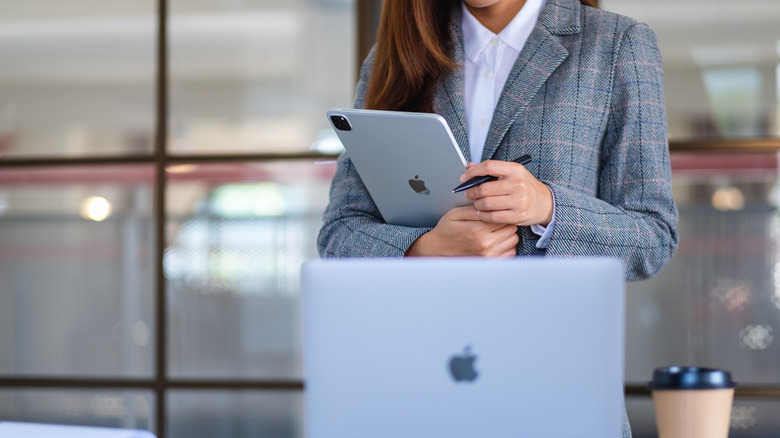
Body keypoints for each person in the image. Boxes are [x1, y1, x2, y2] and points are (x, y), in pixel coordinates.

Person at [319, 0, 680, 435]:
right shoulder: (394, 56)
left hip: (555, 391)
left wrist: (547, 206)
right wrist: (424, 249)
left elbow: (653, 235)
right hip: (418, 385)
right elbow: (339, 234)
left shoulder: (616, 44)